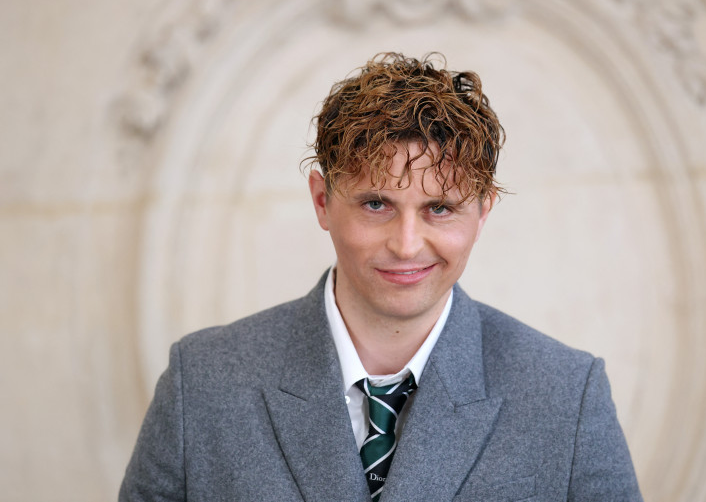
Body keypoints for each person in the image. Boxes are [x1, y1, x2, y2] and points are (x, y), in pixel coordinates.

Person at [120, 52, 643, 501]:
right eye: (376, 204)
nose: (406, 244)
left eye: (440, 208)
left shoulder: (569, 395)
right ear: (322, 201)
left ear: (483, 212)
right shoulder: (201, 382)